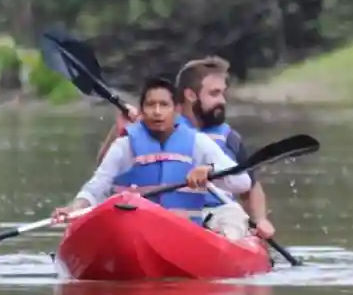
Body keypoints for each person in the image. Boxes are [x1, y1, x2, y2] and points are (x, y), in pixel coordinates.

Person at [94, 57, 276, 239]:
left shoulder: (229, 138)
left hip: (217, 213)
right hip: (166, 214)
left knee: (233, 215)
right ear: (190, 95)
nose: (222, 101)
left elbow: (249, 185)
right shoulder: (153, 127)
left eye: (223, 94)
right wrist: (118, 131)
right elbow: (106, 172)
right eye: (214, 94)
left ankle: (224, 241)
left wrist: (260, 219)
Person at [51, 76, 253, 240]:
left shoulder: (197, 142)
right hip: (135, 231)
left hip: (186, 233)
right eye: (150, 105)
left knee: (233, 215)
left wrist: (209, 170)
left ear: (176, 110)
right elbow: (96, 187)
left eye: (164, 105)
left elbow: (243, 182)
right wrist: (74, 208)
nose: (157, 112)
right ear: (142, 110)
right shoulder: (125, 145)